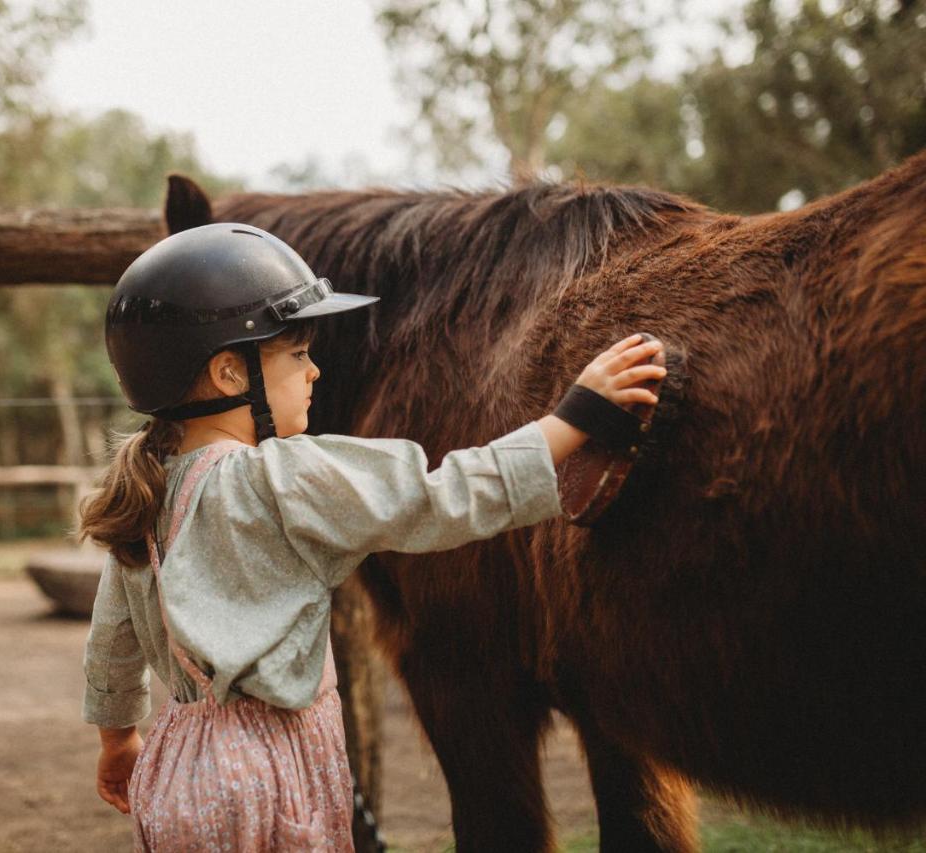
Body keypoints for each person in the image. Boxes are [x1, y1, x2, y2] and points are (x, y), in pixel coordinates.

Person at [79, 222, 665, 851]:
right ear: (229, 373)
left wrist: (119, 741)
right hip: (271, 773)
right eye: (297, 354)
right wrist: (571, 420)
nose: (316, 371)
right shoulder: (286, 476)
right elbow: (442, 497)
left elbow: (113, 640)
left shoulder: (142, 498)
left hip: (179, 775)